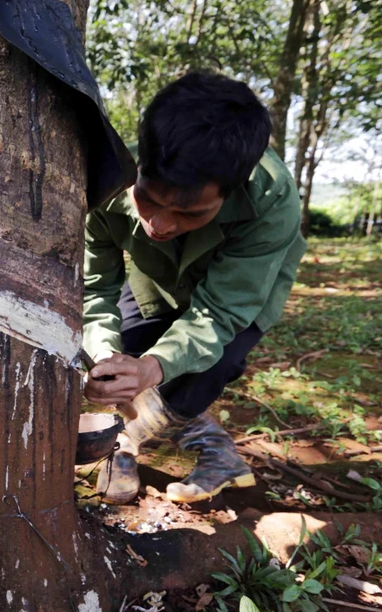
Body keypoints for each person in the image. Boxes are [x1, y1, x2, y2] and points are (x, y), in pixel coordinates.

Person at [84, 71, 306, 504]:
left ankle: (122, 443)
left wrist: (155, 368)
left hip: (242, 287)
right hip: (156, 278)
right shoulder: (107, 183)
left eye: (191, 213)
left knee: (205, 368)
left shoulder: (271, 199)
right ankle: (216, 452)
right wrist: (105, 354)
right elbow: (96, 289)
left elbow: (221, 313)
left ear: (230, 192)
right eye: (148, 199)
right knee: (126, 358)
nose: (159, 225)